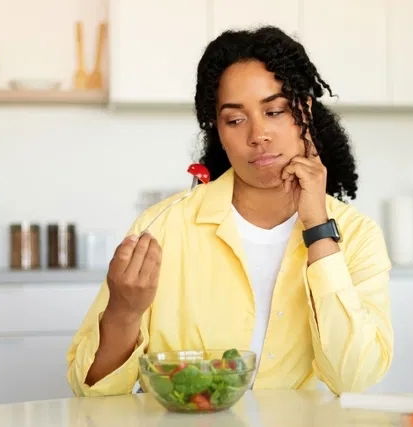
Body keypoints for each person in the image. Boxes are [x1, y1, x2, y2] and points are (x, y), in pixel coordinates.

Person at [67, 26, 392, 397]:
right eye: (235, 120)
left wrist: (318, 227)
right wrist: (123, 313)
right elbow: (92, 393)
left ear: (304, 109)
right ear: (217, 130)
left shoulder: (357, 235)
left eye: (274, 111)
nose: (258, 134)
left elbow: (354, 378)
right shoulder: (164, 228)